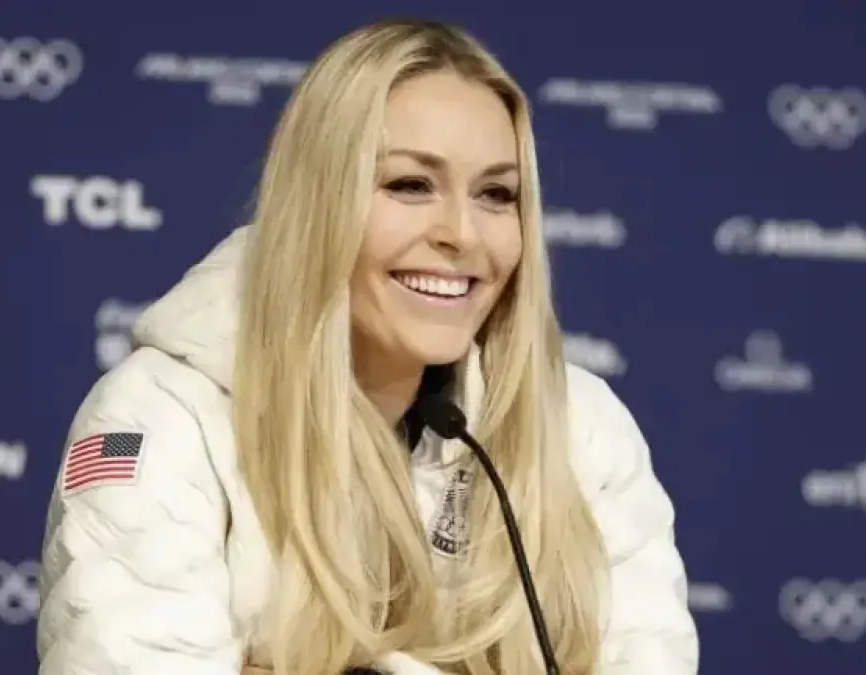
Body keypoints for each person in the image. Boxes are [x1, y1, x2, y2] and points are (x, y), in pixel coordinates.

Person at [36, 18, 698, 675]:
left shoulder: (582, 426)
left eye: (497, 195)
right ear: (316, 203)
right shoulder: (159, 415)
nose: (463, 234)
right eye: (410, 185)